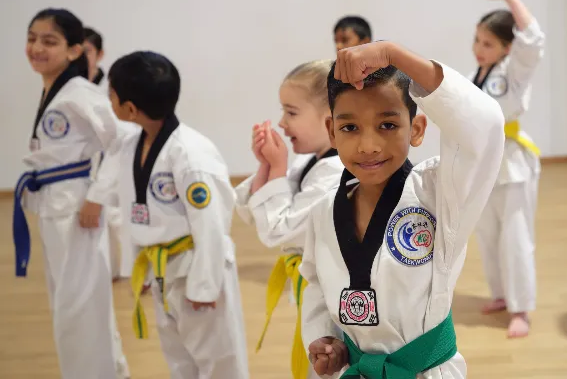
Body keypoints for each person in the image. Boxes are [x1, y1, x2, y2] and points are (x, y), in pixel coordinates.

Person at [299, 40, 505, 378]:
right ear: (331, 132)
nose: (368, 146)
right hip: (353, 370)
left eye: (388, 125)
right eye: (350, 127)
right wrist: (326, 338)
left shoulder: (439, 194)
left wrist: (393, 54)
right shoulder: (323, 211)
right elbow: (317, 285)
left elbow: (485, 126)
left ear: (417, 129)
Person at [98, 50, 249, 378]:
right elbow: (133, 213)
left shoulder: (190, 154)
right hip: (162, 272)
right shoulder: (132, 148)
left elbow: (210, 224)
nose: (108, 100)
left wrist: (204, 285)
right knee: (179, 359)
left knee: (219, 362)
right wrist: (135, 269)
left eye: (111, 94)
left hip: (197, 268)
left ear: (131, 108)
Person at [13, 8, 128, 379]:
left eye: (49, 41)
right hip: (56, 207)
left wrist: (98, 195)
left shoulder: (80, 93)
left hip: (76, 209)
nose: (36, 48)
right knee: (72, 305)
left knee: (78, 309)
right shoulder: (56, 88)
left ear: (75, 50)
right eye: (32, 38)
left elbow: (122, 142)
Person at [235, 60, 344, 379]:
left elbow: (278, 232)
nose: (281, 123)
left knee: (331, 365)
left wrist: (277, 169)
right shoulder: (311, 159)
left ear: (329, 119)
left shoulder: (336, 174)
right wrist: (268, 167)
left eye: (291, 113)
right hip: (315, 289)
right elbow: (252, 211)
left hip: (334, 298)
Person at [470, 0, 545, 338]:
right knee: (489, 234)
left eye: (488, 44)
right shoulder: (477, 76)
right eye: (477, 41)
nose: (479, 50)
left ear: (507, 47)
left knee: (515, 238)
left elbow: (533, 38)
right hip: (485, 166)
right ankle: (501, 294)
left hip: (513, 163)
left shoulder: (514, 72)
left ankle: (521, 309)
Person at [83, 26, 137, 282]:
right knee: (100, 223)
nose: (82, 56)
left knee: (120, 218)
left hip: (119, 160)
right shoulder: (76, 90)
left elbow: (124, 133)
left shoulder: (111, 89)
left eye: (88, 51)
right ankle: (111, 270)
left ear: (99, 53)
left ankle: (136, 271)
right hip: (90, 167)